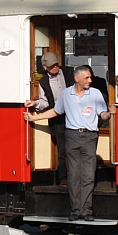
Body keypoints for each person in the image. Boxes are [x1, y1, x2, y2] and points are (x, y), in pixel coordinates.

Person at [24, 65, 111, 221]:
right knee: (73, 175)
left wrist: (109, 114)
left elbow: (102, 114)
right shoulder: (66, 94)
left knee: (88, 175)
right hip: (71, 135)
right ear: (77, 79)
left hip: (90, 136)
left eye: (90, 77)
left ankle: (86, 210)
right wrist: (34, 118)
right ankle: (75, 210)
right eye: (87, 78)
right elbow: (56, 111)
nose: (90, 80)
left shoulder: (95, 93)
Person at [24, 52, 73, 185]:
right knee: (62, 150)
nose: (56, 67)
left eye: (57, 64)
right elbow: (44, 102)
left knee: (75, 148)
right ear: (45, 67)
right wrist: (35, 103)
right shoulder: (44, 81)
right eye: (52, 66)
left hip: (74, 115)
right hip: (58, 118)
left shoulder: (69, 73)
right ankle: (64, 177)